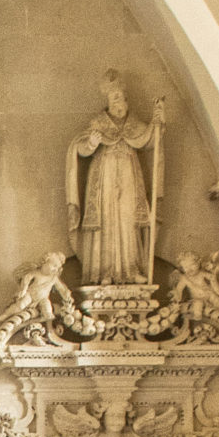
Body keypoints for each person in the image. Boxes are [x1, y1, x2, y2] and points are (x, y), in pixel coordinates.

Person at [65, 72, 162, 285]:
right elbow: (80, 149)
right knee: (106, 220)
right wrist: (91, 143)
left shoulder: (134, 123)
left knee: (128, 219)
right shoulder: (98, 123)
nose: (119, 102)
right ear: (108, 101)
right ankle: (103, 272)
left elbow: (148, 141)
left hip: (128, 174)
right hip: (104, 178)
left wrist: (157, 122)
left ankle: (131, 269)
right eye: (114, 98)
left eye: (121, 97)